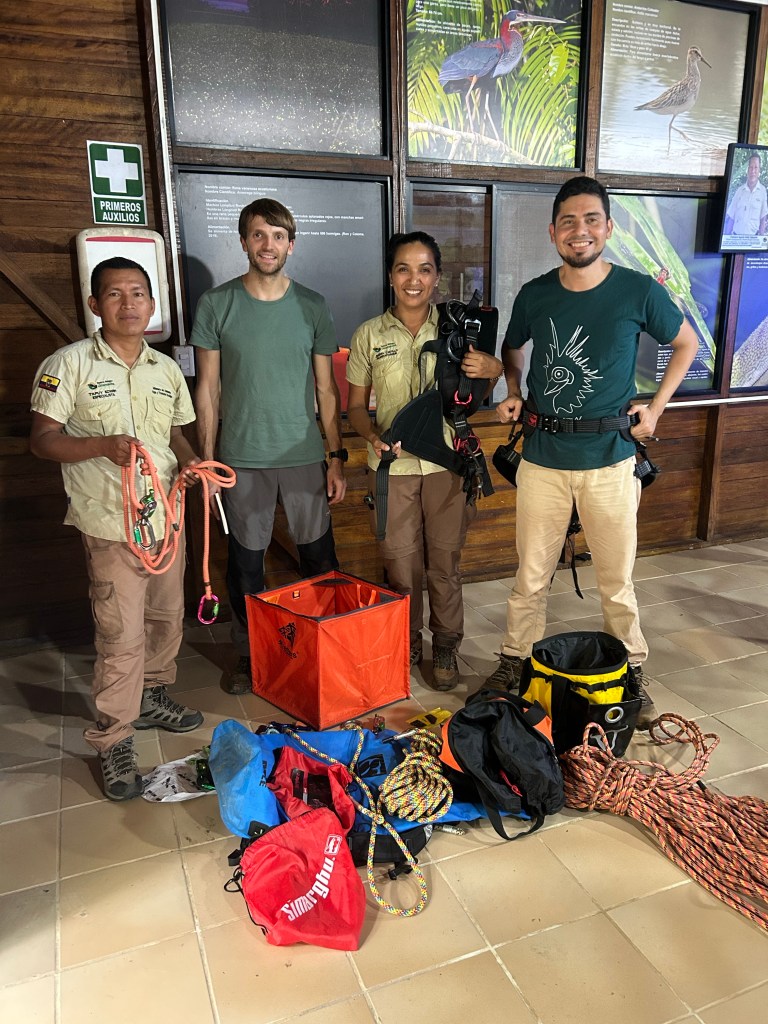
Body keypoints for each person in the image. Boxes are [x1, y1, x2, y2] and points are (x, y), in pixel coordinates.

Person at [484, 176, 699, 726]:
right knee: (530, 575)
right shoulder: (535, 293)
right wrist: (513, 388)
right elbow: (513, 346)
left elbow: (686, 343)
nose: (579, 231)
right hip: (542, 459)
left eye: (590, 220)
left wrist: (656, 409)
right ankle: (513, 661)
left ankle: (631, 669)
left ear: (608, 227)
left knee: (616, 580)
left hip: (611, 458)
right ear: (553, 231)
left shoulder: (637, 291)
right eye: (568, 222)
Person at [30, 257, 204, 801]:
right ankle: (114, 739)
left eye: (137, 293)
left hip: (165, 518)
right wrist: (101, 446)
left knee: (166, 618)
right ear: (94, 304)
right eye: (114, 294)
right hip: (110, 523)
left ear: (152, 304)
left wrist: (193, 463)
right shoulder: (68, 364)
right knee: (120, 638)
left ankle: (152, 697)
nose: (128, 304)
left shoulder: (164, 368)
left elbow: (175, 434)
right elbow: (42, 439)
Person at [191, 198, 346, 695]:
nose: (268, 245)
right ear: (243, 241)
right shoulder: (216, 304)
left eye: (278, 236)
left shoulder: (312, 305)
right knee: (245, 567)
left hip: (302, 455)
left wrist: (335, 457)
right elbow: (207, 389)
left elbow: (326, 389)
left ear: (291, 245)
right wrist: (208, 462)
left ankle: (326, 645)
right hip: (241, 459)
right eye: (259, 234)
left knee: (320, 560)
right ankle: (249, 653)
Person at [346, 232, 502, 691]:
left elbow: (475, 395)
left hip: (447, 465)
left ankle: (447, 643)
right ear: (391, 276)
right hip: (392, 468)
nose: (413, 279)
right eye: (404, 269)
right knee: (400, 564)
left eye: (424, 269)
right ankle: (408, 640)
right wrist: (371, 436)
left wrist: (493, 371)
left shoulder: (459, 329)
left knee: (445, 563)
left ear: (436, 277)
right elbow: (355, 407)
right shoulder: (368, 334)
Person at [724, 153, 768, 236]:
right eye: (751, 167)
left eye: (756, 167)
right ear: (747, 169)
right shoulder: (739, 191)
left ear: (759, 170)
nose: (753, 171)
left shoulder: (762, 191)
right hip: (736, 238)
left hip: (753, 239)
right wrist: (726, 238)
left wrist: (761, 239)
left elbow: (763, 218)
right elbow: (731, 217)